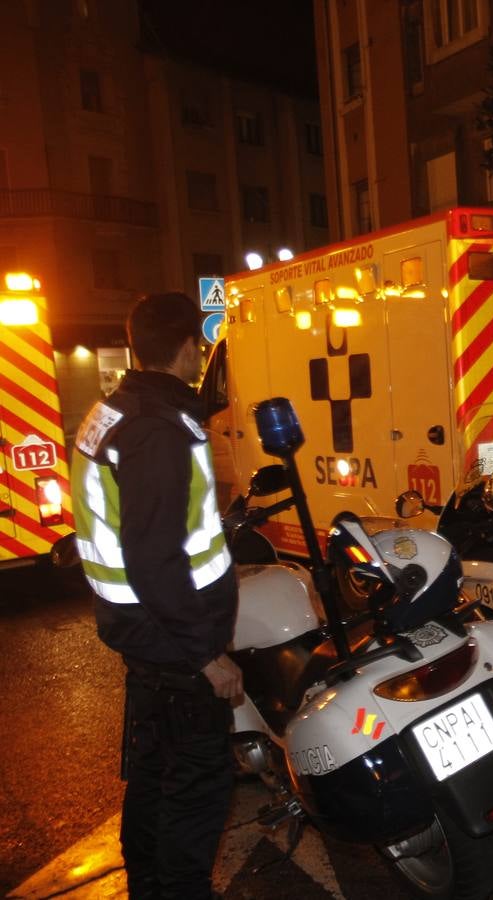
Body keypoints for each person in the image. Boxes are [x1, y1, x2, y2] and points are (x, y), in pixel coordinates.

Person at [71, 292, 240, 899]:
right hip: (170, 639)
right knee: (196, 785)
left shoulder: (114, 411)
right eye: (199, 346)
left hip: (137, 629)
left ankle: (147, 883)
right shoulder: (156, 429)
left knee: (153, 769)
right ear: (191, 349)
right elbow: (155, 559)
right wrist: (207, 657)